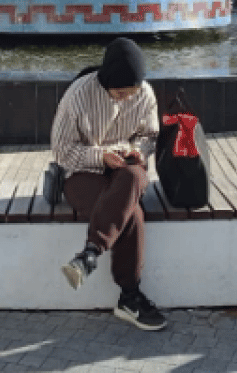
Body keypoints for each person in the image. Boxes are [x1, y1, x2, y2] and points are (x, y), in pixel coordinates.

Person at [53, 38, 165, 331]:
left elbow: (150, 136)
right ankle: (130, 297)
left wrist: (137, 151)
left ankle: (90, 254)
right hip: (82, 174)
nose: (126, 98)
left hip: (126, 173)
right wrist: (101, 156)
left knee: (133, 176)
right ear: (106, 84)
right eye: (119, 93)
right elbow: (62, 152)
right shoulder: (78, 95)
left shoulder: (145, 94)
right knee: (132, 213)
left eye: (132, 93)